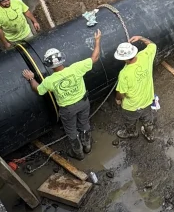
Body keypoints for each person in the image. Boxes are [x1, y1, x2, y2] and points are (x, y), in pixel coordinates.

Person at [21, 29, 102, 160]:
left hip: (67, 109)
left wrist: (31, 78)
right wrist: (97, 41)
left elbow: (38, 89)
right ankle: (87, 146)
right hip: (83, 102)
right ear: (62, 59)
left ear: (48, 64)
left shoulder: (50, 81)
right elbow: (95, 57)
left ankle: (78, 153)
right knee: (84, 124)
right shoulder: (77, 68)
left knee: (71, 131)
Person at [114, 35, 159, 142]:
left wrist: (118, 99)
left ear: (124, 58)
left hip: (132, 106)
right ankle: (150, 135)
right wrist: (140, 38)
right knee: (148, 120)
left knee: (130, 120)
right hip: (147, 100)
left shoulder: (124, 73)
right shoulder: (145, 56)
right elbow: (152, 45)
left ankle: (131, 132)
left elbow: (121, 92)